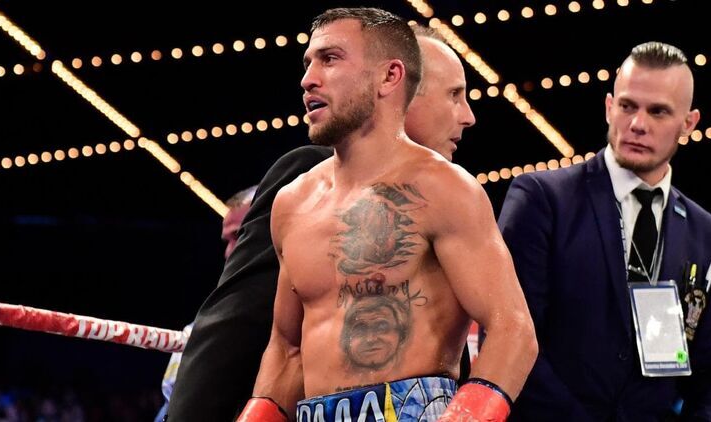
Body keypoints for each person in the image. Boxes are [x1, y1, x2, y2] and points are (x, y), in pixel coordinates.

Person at [167, 21, 479, 422]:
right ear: (402, 90)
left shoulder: (451, 195)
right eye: (454, 95)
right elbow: (234, 325)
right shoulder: (309, 183)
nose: (467, 116)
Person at [237, 7, 536, 422]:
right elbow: (288, 352)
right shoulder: (293, 203)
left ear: (389, 76)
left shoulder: (442, 188)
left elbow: (513, 331)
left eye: (330, 58)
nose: (308, 79)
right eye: (308, 63)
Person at [497, 41, 711, 421]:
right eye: (628, 106)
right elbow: (509, 337)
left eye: (658, 111)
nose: (638, 124)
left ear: (689, 123)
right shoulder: (542, 199)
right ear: (609, 107)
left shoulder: (709, 237)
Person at [154, 187, 257, 422]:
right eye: (227, 240)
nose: (228, 252)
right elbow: (172, 406)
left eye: (239, 235)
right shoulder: (203, 327)